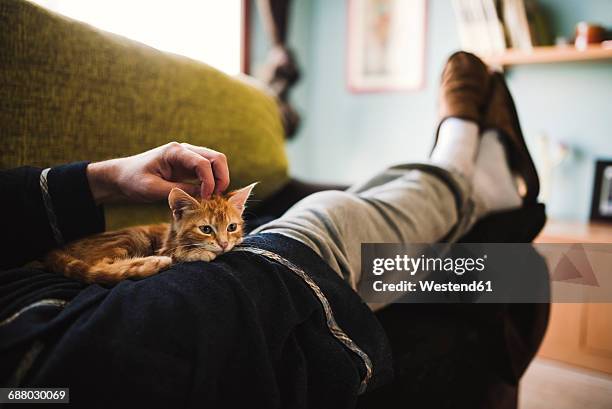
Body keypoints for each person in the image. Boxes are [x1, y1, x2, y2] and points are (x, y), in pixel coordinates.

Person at [0, 52, 540, 408]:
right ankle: (463, 165)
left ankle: (471, 182)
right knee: (331, 219)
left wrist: (105, 178)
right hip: (72, 341)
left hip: (58, 311)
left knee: (523, 271)